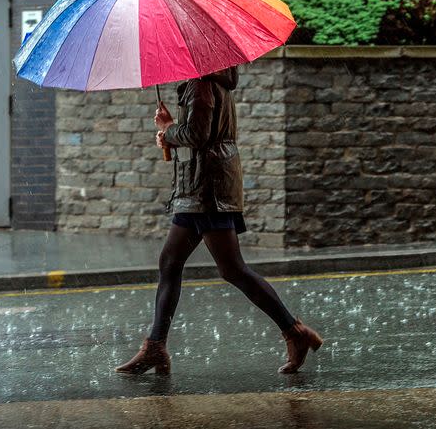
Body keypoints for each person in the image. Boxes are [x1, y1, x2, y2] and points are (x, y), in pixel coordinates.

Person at [115, 66, 323, 375]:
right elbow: (200, 134)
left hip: (208, 189)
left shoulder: (201, 84)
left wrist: (169, 128)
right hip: (199, 188)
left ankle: (295, 331)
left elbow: (198, 135)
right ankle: (156, 347)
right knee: (170, 263)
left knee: (232, 269)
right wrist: (171, 136)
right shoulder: (208, 82)